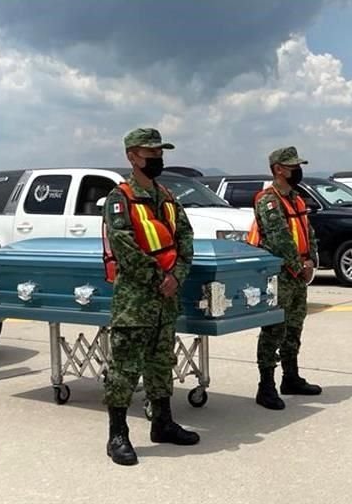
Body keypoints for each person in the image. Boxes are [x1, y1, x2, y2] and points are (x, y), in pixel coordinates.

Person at [102, 128, 198, 466]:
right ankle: (117, 434)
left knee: (161, 364)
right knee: (125, 368)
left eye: (160, 153)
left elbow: (186, 237)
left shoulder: (168, 197)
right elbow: (124, 247)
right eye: (150, 153)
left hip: (165, 300)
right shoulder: (120, 198)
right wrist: (160, 279)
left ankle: (163, 423)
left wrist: (178, 276)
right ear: (132, 156)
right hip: (136, 300)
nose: (158, 158)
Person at [248, 146, 322, 410]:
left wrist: (311, 260)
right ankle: (265, 385)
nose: (297, 171)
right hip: (278, 275)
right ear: (278, 169)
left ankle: (290, 377)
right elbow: (278, 238)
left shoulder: (296, 198)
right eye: (292, 166)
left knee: (294, 328)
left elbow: (308, 231)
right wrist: (297, 265)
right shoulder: (268, 200)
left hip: (298, 275)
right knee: (273, 330)